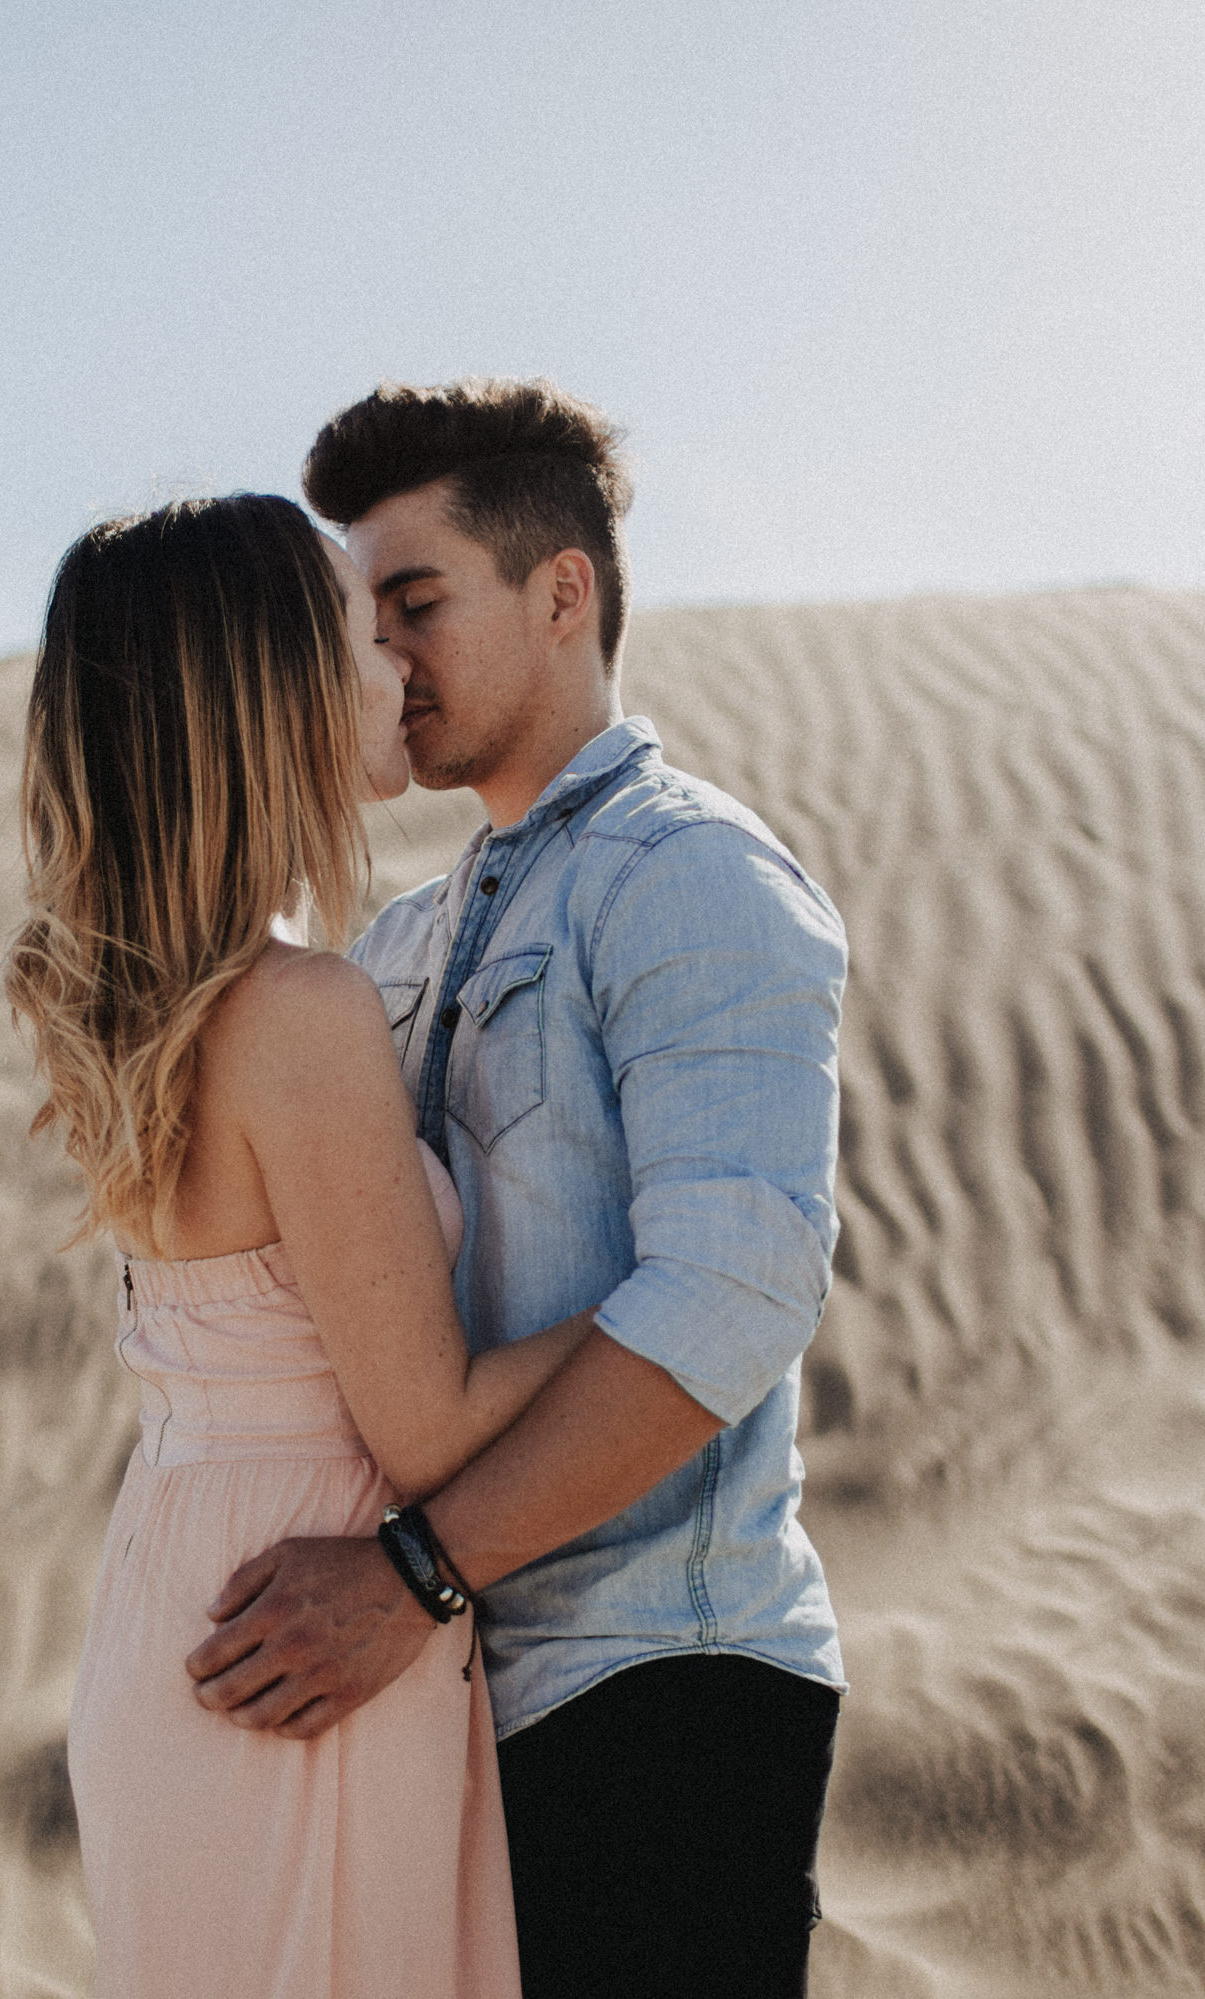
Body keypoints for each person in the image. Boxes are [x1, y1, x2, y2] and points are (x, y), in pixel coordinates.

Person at [181, 380, 850, 1996]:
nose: (386, 659)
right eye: (367, 618)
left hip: (661, 1686)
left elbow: (738, 1291)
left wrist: (417, 1575)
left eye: (418, 604)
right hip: (452, 1697)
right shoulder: (397, 946)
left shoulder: (695, 874)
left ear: (565, 594)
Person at [11, 493, 597, 1995]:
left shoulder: (152, 1007)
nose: (398, 662)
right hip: (306, 1639)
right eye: (358, 631)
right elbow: (430, 1427)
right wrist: (666, 1308)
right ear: (274, 695)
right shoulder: (298, 1017)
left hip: (186, 1598)